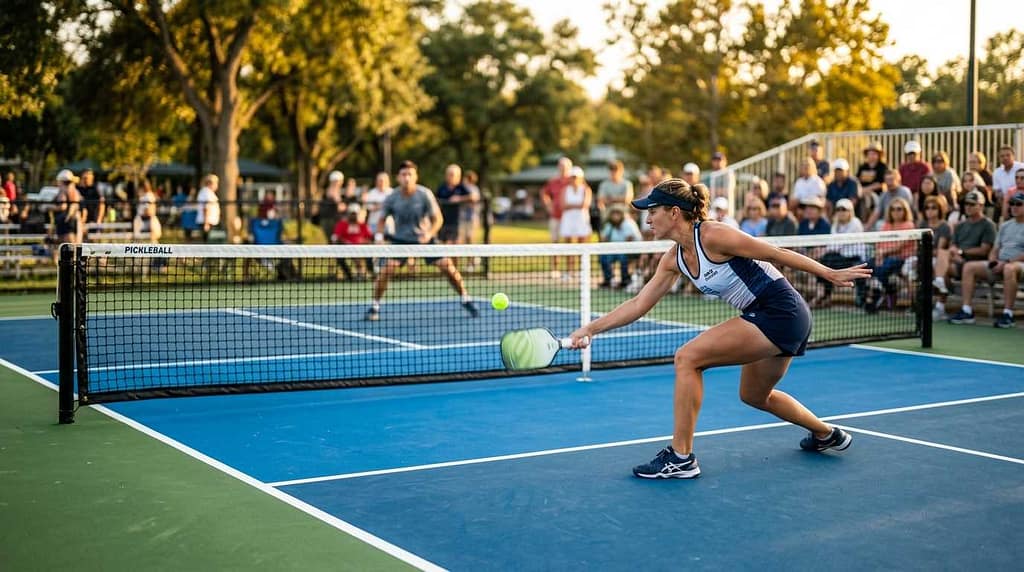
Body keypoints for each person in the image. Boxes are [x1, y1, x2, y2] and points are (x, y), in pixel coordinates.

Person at [566, 178, 869, 478]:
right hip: (769, 316)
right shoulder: (674, 259)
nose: (647, 219)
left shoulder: (713, 234)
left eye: (652, 210)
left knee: (688, 358)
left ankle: (681, 457)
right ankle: (826, 434)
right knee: (754, 395)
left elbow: (776, 254)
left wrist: (828, 273)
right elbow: (638, 304)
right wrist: (591, 328)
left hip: (780, 311)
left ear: (674, 212)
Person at [365, 160, 478, 321]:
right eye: (403, 174)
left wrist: (429, 233)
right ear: (398, 177)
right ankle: (374, 306)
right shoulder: (392, 197)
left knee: (447, 266)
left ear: (416, 176)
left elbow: (437, 219)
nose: (406, 178)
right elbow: (382, 220)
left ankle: (466, 298)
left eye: (410, 174)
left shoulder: (424, 194)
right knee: (387, 268)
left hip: (425, 240)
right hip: (401, 240)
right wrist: (379, 237)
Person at [951, 191, 1024, 328]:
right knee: (969, 267)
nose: (1014, 207)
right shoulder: (1005, 225)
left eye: (1018, 204)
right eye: (1012, 203)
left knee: (1009, 269)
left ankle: (1008, 314)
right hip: (1001, 263)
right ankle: (967, 310)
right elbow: (995, 249)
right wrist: (992, 261)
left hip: (1018, 264)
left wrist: (1007, 262)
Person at [934, 190, 997, 304]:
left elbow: (984, 250)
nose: (968, 207)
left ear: (981, 206)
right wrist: (954, 252)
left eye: (972, 204)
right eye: (966, 204)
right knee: (940, 260)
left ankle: (941, 299)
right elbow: (953, 244)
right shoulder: (960, 225)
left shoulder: (988, 225)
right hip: (956, 261)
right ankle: (941, 292)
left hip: (975, 263)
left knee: (939, 267)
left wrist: (961, 252)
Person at [864, 198, 915, 312]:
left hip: (900, 258)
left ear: (905, 210)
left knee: (883, 268)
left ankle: (880, 294)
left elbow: (899, 246)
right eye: (893, 209)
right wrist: (879, 255)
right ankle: (870, 296)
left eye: (899, 209)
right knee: (864, 267)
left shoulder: (909, 225)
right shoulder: (886, 225)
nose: (896, 212)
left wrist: (882, 253)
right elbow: (879, 243)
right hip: (883, 257)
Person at [920, 195, 953, 320]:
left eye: (934, 208)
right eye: (927, 208)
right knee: (908, 267)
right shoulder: (922, 224)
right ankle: (918, 304)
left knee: (939, 269)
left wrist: (925, 252)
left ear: (940, 209)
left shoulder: (944, 226)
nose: (930, 210)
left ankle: (940, 307)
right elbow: (918, 246)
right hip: (923, 257)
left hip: (938, 258)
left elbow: (940, 249)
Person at [541, 157, 573, 275]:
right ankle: (555, 269)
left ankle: (569, 271)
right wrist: (548, 205)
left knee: (569, 244)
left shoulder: (573, 180)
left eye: (565, 167)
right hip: (555, 217)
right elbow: (544, 193)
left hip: (569, 218)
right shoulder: (553, 181)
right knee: (555, 243)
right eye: (561, 166)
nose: (563, 169)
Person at [559, 167, 593, 278]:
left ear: (580, 178)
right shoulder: (565, 189)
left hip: (581, 220)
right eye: (572, 177)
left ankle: (582, 271)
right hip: (568, 220)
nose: (573, 179)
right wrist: (577, 205)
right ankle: (569, 271)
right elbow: (563, 205)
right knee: (569, 246)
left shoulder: (586, 189)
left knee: (582, 246)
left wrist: (571, 205)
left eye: (575, 177)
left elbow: (585, 204)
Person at [598, 205, 642, 288]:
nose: (615, 216)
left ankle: (625, 280)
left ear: (622, 214)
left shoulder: (628, 223)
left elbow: (629, 239)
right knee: (604, 257)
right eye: (613, 213)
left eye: (617, 213)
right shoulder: (609, 225)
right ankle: (609, 280)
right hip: (615, 251)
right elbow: (604, 239)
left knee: (623, 257)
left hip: (631, 250)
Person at [435, 164, 472, 244]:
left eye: (452, 174)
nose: (449, 177)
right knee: (442, 244)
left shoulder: (461, 187)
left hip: (458, 222)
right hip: (443, 221)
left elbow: (473, 197)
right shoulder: (442, 187)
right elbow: (435, 199)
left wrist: (459, 198)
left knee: (455, 245)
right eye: (448, 174)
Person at [52, 169, 83, 255]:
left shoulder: (65, 190)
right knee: (71, 246)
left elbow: (63, 206)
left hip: (68, 221)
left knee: (70, 246)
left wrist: (48, 207)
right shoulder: (74, 190)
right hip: (71, 220)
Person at [992, 145, 1024, 222]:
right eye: (1002, 156)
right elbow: (997, 191)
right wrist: (1002, 199)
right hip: (1006, 200)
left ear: (1013, 156)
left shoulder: (1021, 167)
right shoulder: (997, 172)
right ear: (999, 158)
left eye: (1008, 155)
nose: (1005, 158)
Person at [319, 170, 344, 245]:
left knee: (338, 240)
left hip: (337, 219)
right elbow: (340, 207)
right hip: (329, 220)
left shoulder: (340, 192)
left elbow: (342, 207)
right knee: (331, 241)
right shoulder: (329, 192)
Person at [195, 173, 221, 241]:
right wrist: (206, 223)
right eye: (216, 183)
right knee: (207, 243)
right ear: (210, 183)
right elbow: (206, 208)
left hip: (209, 222)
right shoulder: (206, 192)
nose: (217, 185)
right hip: (207, 222)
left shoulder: (208, 192)